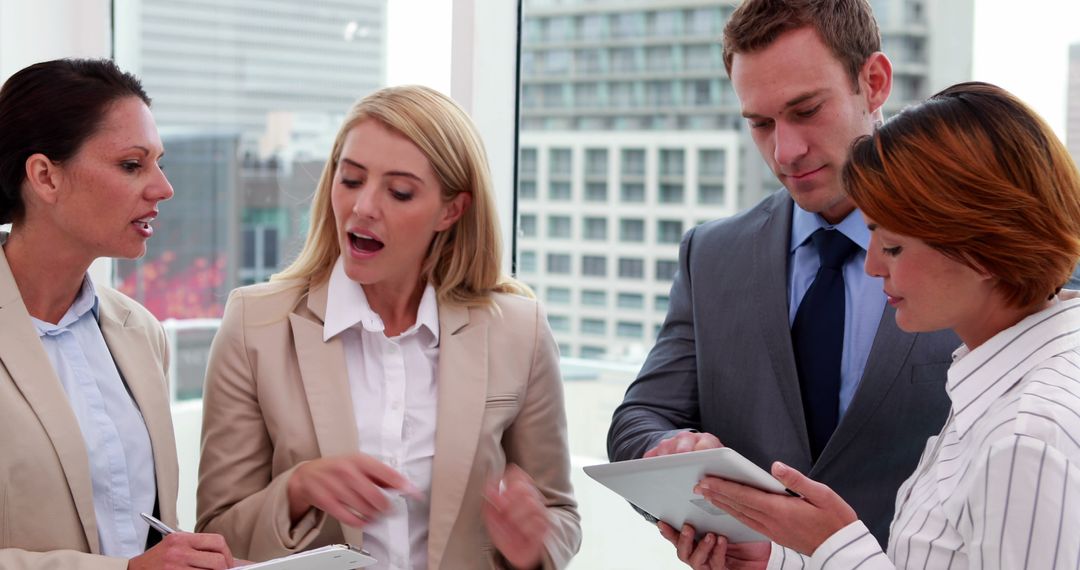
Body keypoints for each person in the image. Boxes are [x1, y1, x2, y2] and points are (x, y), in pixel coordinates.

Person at [606, 0, 958, 565]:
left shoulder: (970, 247)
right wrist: (672, 454)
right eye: (761, 123)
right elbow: (638, 420)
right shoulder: (711, 255)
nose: (784, 151)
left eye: (806, 110)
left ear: (873, 83)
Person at [694, 81, 1080, 570]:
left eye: (893, 247)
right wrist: (781, 561)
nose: (872, 266)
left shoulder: (1024, 439)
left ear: (983, 249)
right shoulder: (1007, 386)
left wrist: (835, 544)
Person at [195, 85, 581, 569]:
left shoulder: (519, 331)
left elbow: (558, 513)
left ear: (451, 210)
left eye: (399, 192)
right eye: (351, 179)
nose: (363, 207)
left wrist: (533, 545)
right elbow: (215, 533)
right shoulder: (255, 325)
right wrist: (296, 490)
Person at [0, 59, 236, 569]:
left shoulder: (139, 333)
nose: (163, 188)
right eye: (132, 165)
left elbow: (140, 530)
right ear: (45, 176)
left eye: (159, 163)